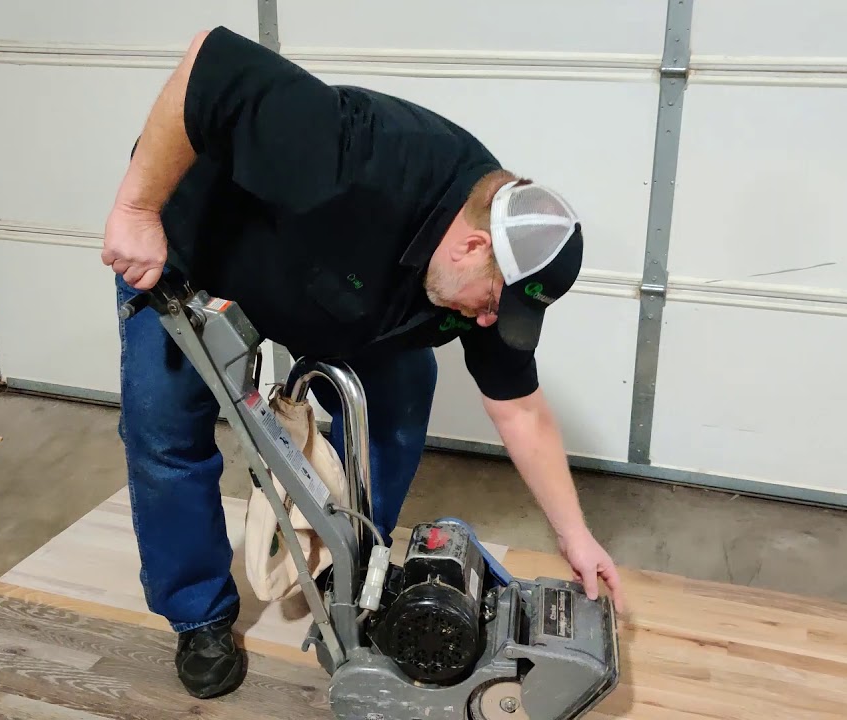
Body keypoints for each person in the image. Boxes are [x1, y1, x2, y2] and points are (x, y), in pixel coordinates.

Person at [101, 25, 625, 700]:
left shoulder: (493, 271)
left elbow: (520, 408)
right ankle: (198, 614)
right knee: (164, 430)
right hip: (189, 244)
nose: (490, 321)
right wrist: (136, 209)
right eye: (491, 302)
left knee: (403, 394)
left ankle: (351, 581)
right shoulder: (348, 156)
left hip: (330, 289)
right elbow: (210, 62)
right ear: (468, 246)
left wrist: (576, 539)